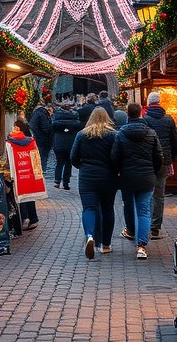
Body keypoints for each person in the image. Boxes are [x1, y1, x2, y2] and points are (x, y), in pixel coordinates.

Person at [111, 101, 163, 260]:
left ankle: (131, 231)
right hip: (146, 177)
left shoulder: (120, 134)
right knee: (144, 210)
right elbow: (159, 156)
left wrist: (119, 171)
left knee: (128, 205)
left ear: (128, 114)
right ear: (140, 113)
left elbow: (114, 157)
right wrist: (153, 171)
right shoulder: (151, 133)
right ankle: (141, 245)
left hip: (127, 177)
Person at [70, 107, 118, 258]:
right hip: (107, 177)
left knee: (89, 208)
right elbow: (116, 157)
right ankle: (106, 244)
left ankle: (90, 235)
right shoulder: (113, 135)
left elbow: (73, 157)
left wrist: (82, 166)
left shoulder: (82, 135)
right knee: (107, 209)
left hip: (87, 177)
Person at [143, 90, 177, 239]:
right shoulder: (169, 120)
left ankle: (145, 225)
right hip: (164, 161)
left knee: (146, 194)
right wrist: (171, 157)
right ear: (159, 103)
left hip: (148, 161)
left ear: (148, 104)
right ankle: (155, 229)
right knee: (159, 195)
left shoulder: (145, 120)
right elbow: (176, 142)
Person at [5, 116, 41, 230]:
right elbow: (35, 157)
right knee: (29, 195)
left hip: (18, 171)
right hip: (29, 172)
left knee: (19, 195)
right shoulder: (31, 141)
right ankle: (33, 219)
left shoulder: (10, 143)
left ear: (16, 128)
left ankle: (24, 219)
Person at [52, 102, 80, 189]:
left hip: (58, 144)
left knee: (59, 163)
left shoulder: (56, 119)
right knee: (68, 163)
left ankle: (57, 181)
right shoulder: (75, 119)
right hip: (70, 144)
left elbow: (52, 130)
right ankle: (66, 183)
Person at [29, 100, 54, 173]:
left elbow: (33, 126)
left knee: (38, 156)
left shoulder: (36, 114)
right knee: (43, 157)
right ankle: (42, 171)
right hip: (44, 139)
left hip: (38, 139)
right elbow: (46, 128)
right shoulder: (43, 114)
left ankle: (38, 171)